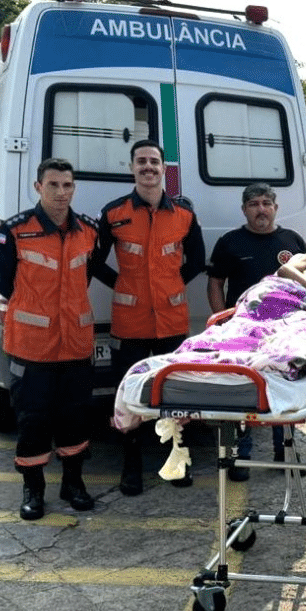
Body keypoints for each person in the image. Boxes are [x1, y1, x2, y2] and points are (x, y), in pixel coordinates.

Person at [94, 139, 206, 495]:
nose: (148, 167)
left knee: (176, 395)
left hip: (172, 323)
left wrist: (171, 285)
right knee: (129, 396)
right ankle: (131, 467)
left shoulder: (184, 214)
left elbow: (198, 261)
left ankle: (178, 463)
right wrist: (122, 284)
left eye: (154, 161)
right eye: (141, 161)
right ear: (131, 168)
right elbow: (95, 261)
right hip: (130, 323)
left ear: (163, 169)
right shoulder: (114, 213)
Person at [0, 158, 99, 520]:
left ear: (73, 188)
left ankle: (73, 484)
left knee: (75, 418)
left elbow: (86, 277)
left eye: (67, 185)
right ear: (38, 187)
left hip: (75, 345)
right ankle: (33, 489)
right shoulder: (15, 230)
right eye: (53, 185)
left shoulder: (88, 231)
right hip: (31, 347)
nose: (60, 192)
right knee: (33, 420)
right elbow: (2, 282)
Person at [207, 183, 306, 480]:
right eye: (254, 204)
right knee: (243, 392)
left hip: (285, 330)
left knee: (284, 388)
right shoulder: (230, 242)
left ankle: (285, 449)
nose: (261, 209)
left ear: (276, 208)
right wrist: (220, 320)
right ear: (244, 210)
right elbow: (215, 282)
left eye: (267, 203)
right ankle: (242, 453)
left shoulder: (292, 241)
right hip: (242, 331)